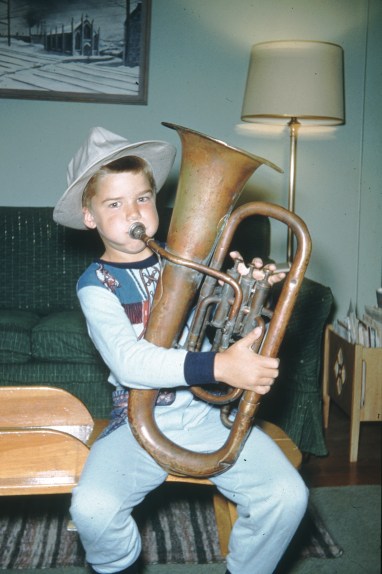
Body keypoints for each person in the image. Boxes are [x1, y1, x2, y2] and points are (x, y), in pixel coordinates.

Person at [53, 126, 308, 574]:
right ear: (89, 216)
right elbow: (130, 364)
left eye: (143, 197)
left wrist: (249, 295)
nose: (133, 212)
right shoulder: (95, 287)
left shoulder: (186, 258)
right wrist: (220, 364)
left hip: (207, 417)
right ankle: (120, 567)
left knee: (288, 496)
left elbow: (217, 324)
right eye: (114, 204)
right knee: (92, 509)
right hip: (137, 421)